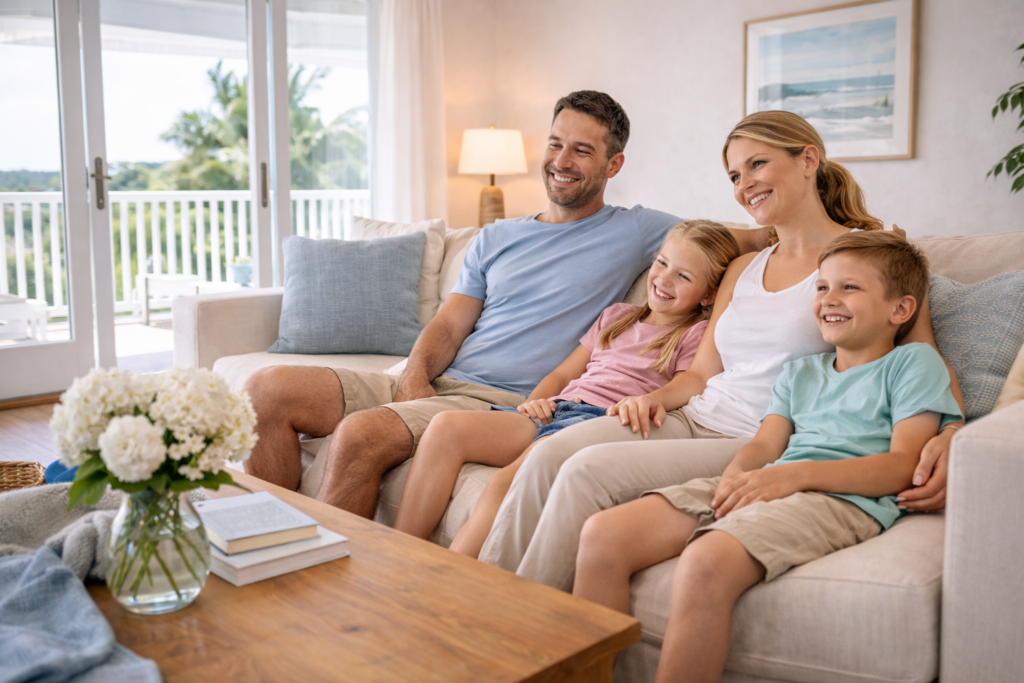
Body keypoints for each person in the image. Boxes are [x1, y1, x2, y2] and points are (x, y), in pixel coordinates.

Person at [477, 110, 966, 589]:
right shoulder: (744, 266)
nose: (744, 183)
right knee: (547, 456)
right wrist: (656, 398)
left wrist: (954, 431)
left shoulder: (865, 258)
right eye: (734, 174)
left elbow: (921, 355)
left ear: (808, 159)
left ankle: (526, 631)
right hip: (692, 415)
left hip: (754, 436)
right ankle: (480, 604)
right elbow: (701, 372)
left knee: (584, 471)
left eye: (757, 164)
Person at [242, 90, 768, 517]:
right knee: (267, 389)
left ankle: (334, 588)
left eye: (582, 150)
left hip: (496, 400)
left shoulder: (636, 230)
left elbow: (742, 238)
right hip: (431, 381)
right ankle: (267, 542)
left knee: (361, 433)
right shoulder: (496, 237)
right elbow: (450, 323)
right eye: (556, 143)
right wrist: (414, 377)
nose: (561, 161)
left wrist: (840, 232)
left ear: (614, 164)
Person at [572, 230, 963, 683]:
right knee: (604, 534)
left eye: (849, 287)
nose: (829, 299)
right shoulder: (801, 371)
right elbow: (763, 445)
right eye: (822, 287)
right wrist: (737, 478)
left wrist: (793, 478)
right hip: (777, 480)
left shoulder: (912, 363)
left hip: (842, 498)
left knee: (706, 560)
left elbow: (901, 468)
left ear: (901, 309)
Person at [393, 221, 739, 555]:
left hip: (595, 422)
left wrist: (647, 400)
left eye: (683, 276)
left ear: (709, 294)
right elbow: (562, 374)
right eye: (662, 263)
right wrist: (534, 403)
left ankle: (445, 580)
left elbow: (690, 382)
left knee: (508, 480)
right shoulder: (616, 315)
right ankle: (400, 555)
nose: (664, 279)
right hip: (558, 408)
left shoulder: (694, 334)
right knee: (444, 428)